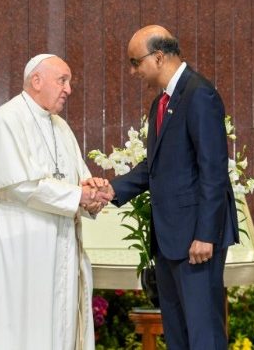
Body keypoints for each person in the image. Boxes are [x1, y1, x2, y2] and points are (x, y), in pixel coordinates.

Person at [0, 55, 112, 350]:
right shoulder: (7, 119)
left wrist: (92, 192)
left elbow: (76, 179)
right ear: (36, 81)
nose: (69, 89)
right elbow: (21, 185)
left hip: (55, 243)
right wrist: (79, 195)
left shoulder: (61, 127)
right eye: (62, 80)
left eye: (69, 82)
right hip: (14, 244)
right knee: (14, 327)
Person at [101, 25, 239, 349]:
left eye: (136, 62)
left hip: (196, 241)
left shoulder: (199, 94)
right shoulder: (161, 103)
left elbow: (213, 169)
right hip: (169, 240)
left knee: (203, 335)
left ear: (159, 57)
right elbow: (155, 166)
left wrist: (205, 234)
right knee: (178, 335)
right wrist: (111, 190)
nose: (133, 71)